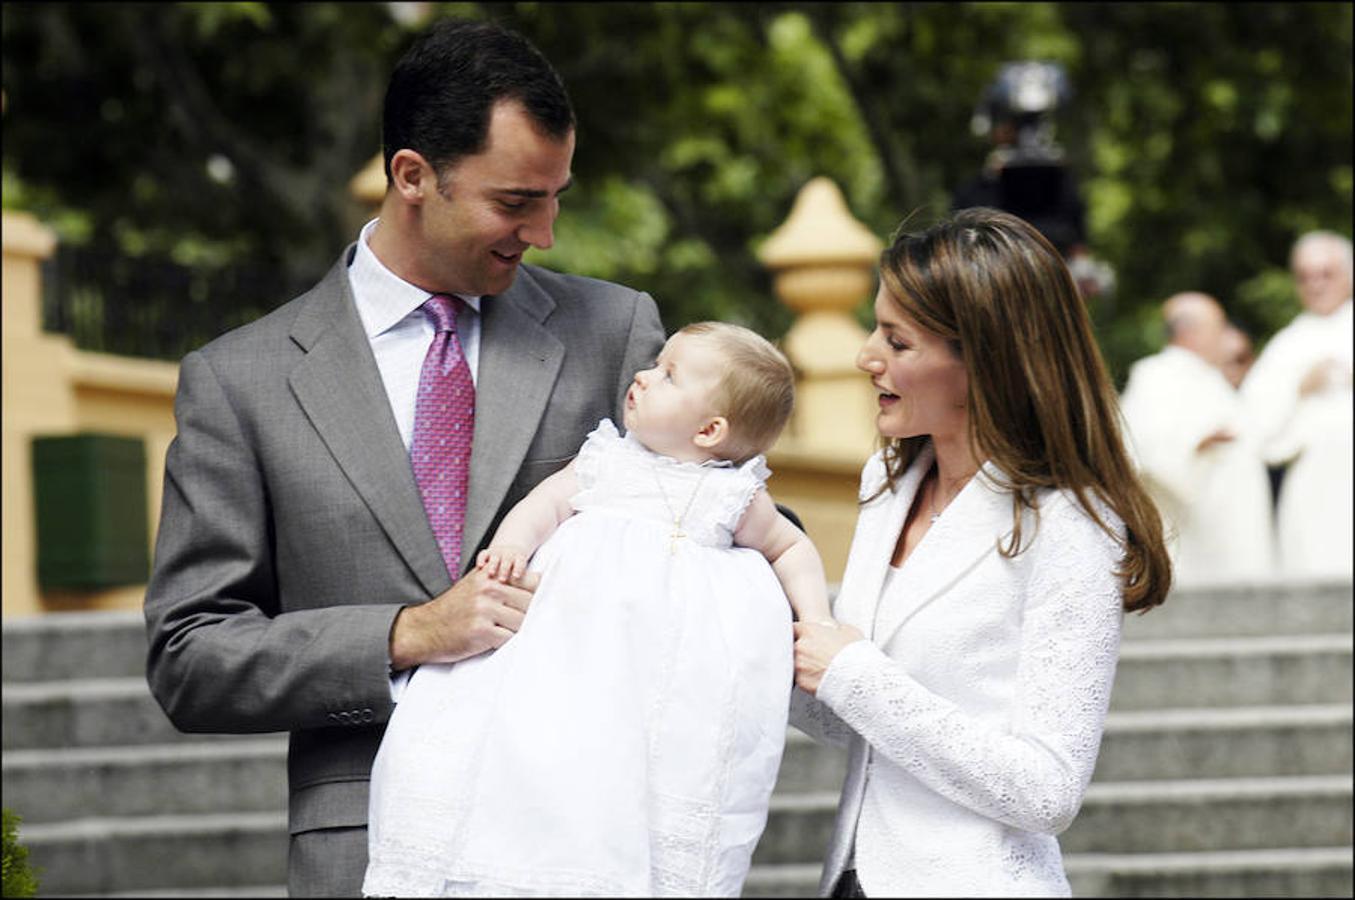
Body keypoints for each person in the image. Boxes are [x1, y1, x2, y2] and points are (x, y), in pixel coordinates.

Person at [142, 18, 665, 897]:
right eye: (514, 201)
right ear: (412, 176)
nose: (544, 233)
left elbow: (722, 520)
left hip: (590, 834)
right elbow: (191, 657)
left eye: (555, 195)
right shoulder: (240, 383)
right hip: (366, 847)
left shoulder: (613, 332)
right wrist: (404, 635)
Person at [364, 322, 831, 897]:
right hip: (574, 648)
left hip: (662, 670)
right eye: (656, 363)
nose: (643, 374)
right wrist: (512, 544)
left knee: (651, 763)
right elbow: (544, 505)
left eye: (668, 375)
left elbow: (792, 548)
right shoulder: (607, 458)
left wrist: (817, 622)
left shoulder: (734, 495)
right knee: (543, 736)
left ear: (710, 430)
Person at [790, 207, 1172, 898]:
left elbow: (1046, 791)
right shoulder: (886, 482)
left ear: (984, 360)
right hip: (851, 878)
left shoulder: (1071, 525)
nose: (865, 354)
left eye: (898, 342)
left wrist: (851, 672)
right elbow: (851, 713)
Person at [1118, 292, 1275, 586]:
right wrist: (1195, 445)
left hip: (1230, 526)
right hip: (1194, 532)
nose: (1225, 335)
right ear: (1192, 332)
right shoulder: (1156, 375)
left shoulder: (1209, 377)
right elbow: (1141, 449)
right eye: (1219, 326)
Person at [1239, 230, 1353, 579]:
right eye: (1305, 276)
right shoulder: (1286, 345)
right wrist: (1298, 388)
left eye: (1326, 274)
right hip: (1312, 489)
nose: (1316, 285)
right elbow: (1251, 424)